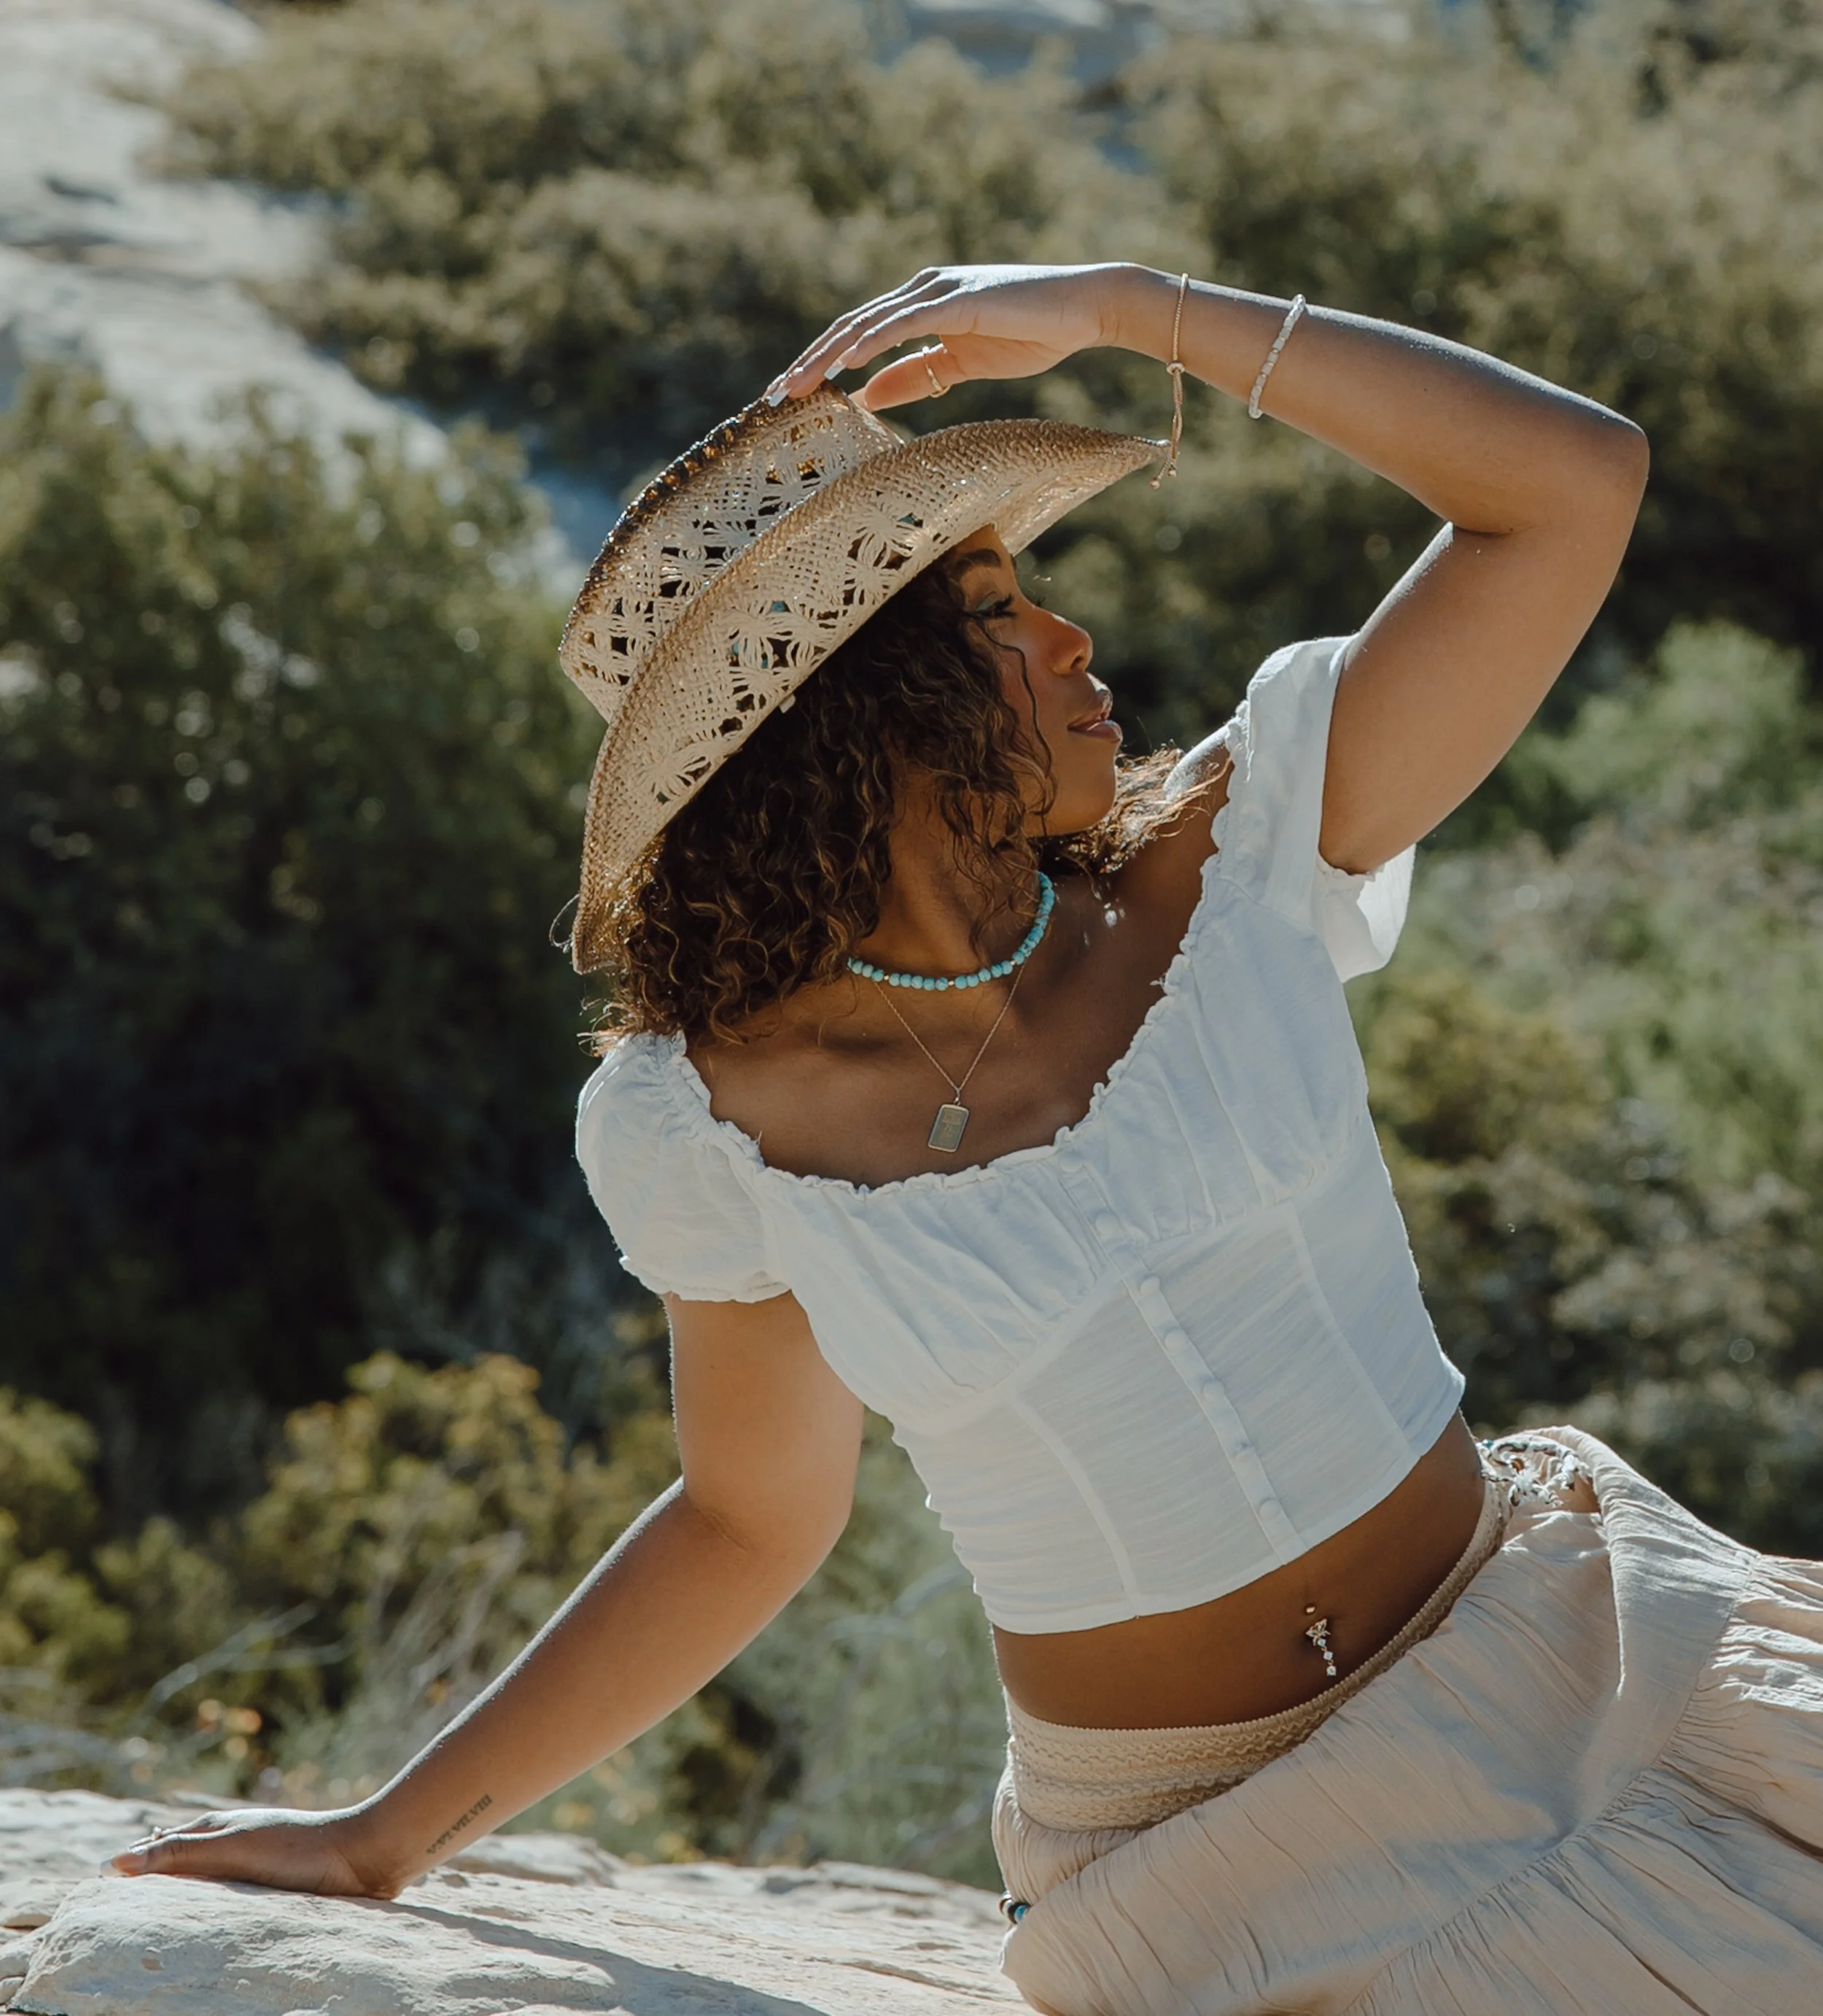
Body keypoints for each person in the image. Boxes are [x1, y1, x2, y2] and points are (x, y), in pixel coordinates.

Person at [113, 265, 1823, 2013]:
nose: (1076, 644)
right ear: (855, 708)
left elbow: (1566, 487)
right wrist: (391, 1834)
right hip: (1212, 1856)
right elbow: (740, 1518)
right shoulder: (700, 1127)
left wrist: (1130, 306)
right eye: (1000, 606)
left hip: (1564, 1662)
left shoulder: (1243, 848)